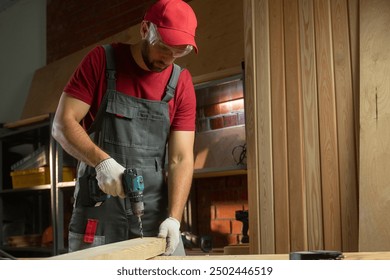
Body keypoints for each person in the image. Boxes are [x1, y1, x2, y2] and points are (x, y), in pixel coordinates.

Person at [51, 0, 198, 256]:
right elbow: (63, 125)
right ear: (144, 30)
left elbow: (181, 158)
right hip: (99, 211)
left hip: (155, 219)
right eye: (163, 47)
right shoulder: (101, 61)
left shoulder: (181, 83)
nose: (168, 58)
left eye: (178, 51)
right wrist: (102, 163)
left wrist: (174, 218)